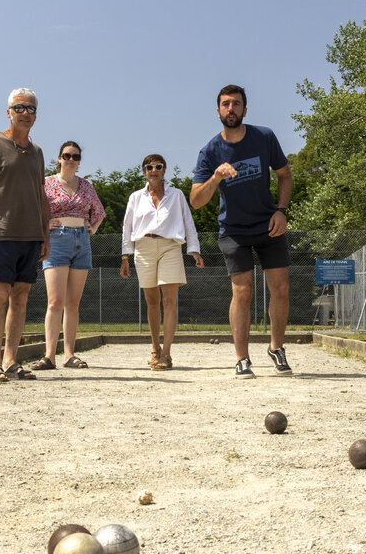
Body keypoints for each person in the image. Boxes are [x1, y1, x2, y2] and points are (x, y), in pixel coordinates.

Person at [190, 84, 293, 379]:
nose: (231, 108)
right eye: (225, 104)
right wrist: (216, 176)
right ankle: (242, 358)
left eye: (236, 104)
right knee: (243, 290)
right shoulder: (209, 151)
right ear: (218, 111)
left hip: (268, 224)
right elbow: (196, 201)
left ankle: (276, 348)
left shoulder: (264, 137)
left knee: (281, 287)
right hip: (233, 230)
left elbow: (284, 175)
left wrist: (281, 211)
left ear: (245, 110)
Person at [0, 87, 50, 383]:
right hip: (0, 234)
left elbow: (41, 196)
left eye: (31, 109)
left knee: (21, 296)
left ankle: (12, 360)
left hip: (31, 236)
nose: (25, 113)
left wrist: (45, 234)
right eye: (20, 108)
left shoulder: (37, 152)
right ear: (8, 112)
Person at [121, 154, 204, 370]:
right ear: (144, 172)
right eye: (149, 167)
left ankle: (166, 354)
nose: (154, 170)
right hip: (143, 248)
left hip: (170, 246)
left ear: (164, 170)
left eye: (158, 166)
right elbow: (127, 227)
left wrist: (194, 250)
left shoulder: (176, 195)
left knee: (169, 301)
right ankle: (154, 348)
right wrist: (125, 257)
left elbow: (188, 222)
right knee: (151, 301)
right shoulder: (135, 197)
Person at [30, 141, 106, 372]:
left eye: (75, 156)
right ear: (59, 158)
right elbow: (33, 209)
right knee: (55, 301)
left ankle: (69, 354)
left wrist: (92, 228)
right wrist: (45, 223)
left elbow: (99, 212)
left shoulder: (86, 185)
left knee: (73, 302)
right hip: (57, 240)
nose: (71, 160)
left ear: (79, 160)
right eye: (67, 155)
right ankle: (49, 356)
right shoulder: (46, 183)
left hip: (82, 241)